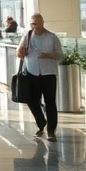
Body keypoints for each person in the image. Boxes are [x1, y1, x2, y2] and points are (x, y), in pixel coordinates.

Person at [16, 13, 63, 142]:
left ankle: (51, 131)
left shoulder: (52, 37)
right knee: (32, 100)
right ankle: (42, 123)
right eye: (32, 23)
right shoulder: (28, 35)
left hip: (48, 74)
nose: (34, 25)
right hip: (31, 72)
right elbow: (18, 52)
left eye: (36, 22)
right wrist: (21, 52)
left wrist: (48, 55)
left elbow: (60, 55)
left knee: (50, 103)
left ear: (42, 23)